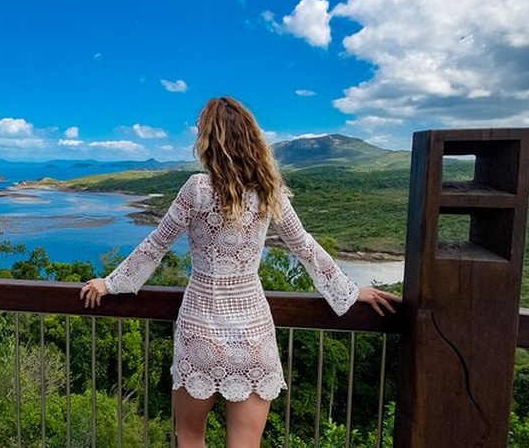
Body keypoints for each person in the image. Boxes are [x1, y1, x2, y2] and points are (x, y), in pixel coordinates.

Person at [79, 96, 401, 448]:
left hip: (201, 329)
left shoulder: (197, 189)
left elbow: (157, 244)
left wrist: (110, 283)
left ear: (209, 141)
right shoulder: (268, 191)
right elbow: (303, 245)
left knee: (189, 437)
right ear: (250, 138)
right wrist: (351, 292)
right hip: (252, 333)